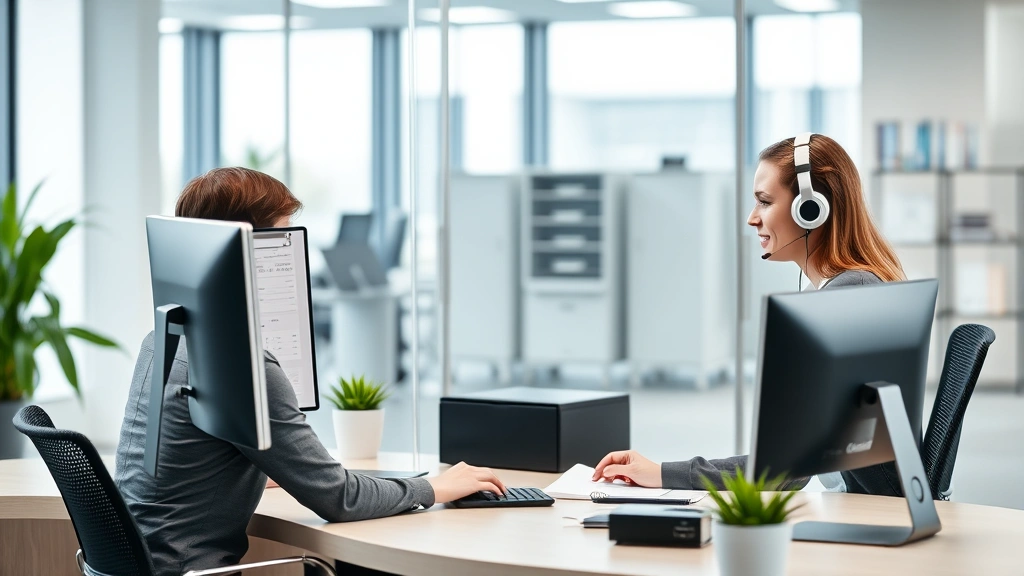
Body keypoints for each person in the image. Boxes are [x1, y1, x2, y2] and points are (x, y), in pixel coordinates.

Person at [115, 167, 506, 575]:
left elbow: (187, 464)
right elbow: (339, 499)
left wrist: (261, 473)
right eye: (279, 241)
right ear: (244, 253)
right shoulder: (245, 367)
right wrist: (435, 487)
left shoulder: (162, 341)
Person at [592, 134, 907, 496]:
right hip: (859, 510)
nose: (751, 218)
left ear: (812, 208)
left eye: (764, 202)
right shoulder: (841, 289)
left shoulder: (848, 297)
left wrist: (664, 473)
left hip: (871, 520)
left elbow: (788, 468)